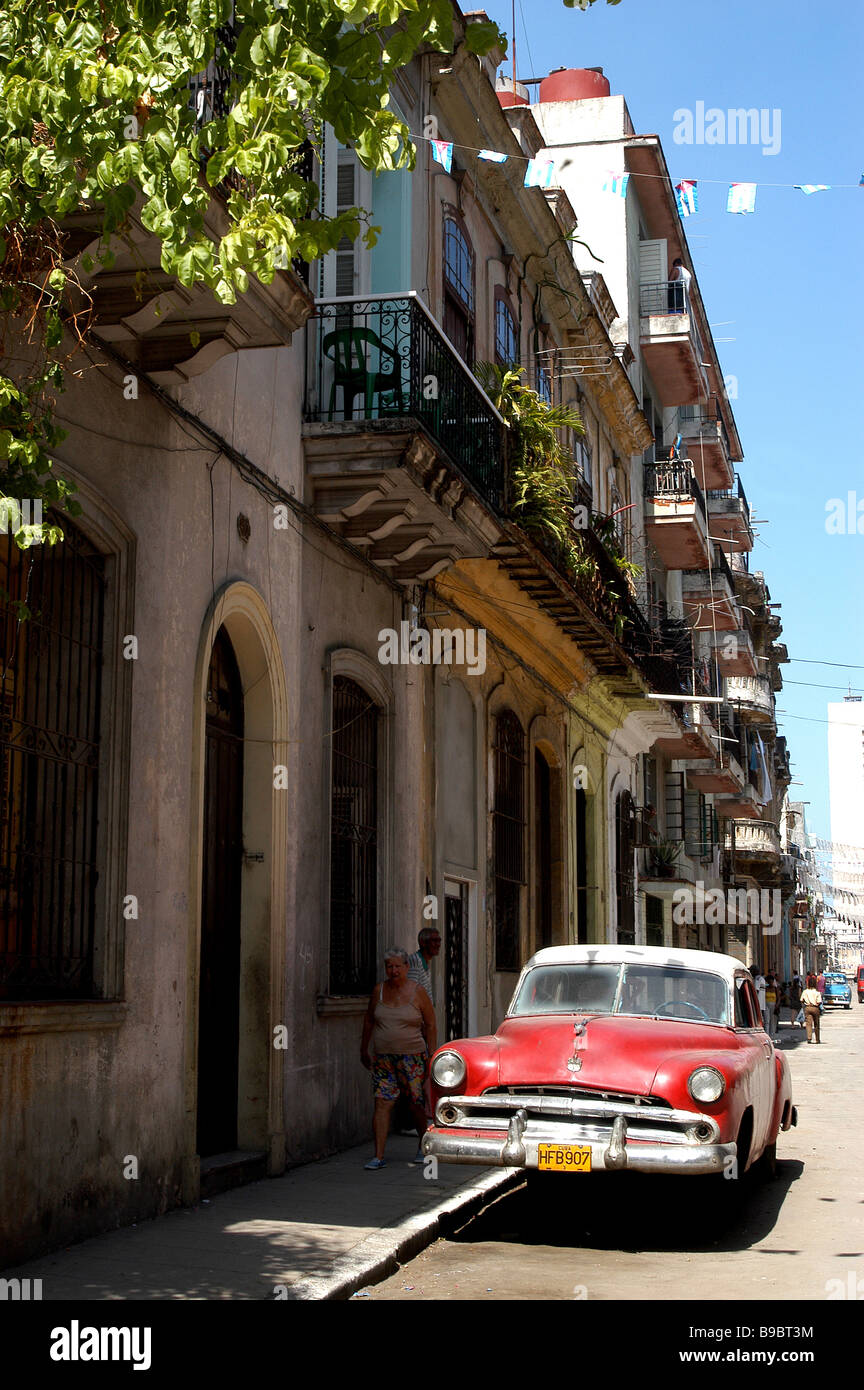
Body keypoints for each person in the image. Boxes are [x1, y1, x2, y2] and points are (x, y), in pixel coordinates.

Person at [360, 948, 437, 1170]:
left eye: (397, 966)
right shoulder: (379, 991)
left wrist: (431, 1054)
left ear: (406, 967)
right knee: (382, 1102)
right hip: (383, 1058)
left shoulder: (418, 992)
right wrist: (364, 1049)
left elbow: (431, 1024)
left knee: (415, 1103)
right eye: (389, 967)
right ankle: (378, 1155)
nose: (393, 971)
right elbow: (368, 1021)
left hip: (412, 1058)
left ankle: (424, 1146)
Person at [407, 925, 442, 1000]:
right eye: (434, 941)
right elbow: (411, 993)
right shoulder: (415, 960)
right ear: (423, 942)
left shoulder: (425, 962)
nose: (438, 944)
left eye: (439, 941)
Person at [801, 974, 822, 1043]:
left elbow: (801, 999)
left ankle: (809, 1038)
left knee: (808, 1023)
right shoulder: (817, 992)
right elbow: (819, 1002)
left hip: (807, 1007)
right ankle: (817, 1039)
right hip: (815, 1007)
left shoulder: (805, 991)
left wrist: (806, 1002)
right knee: (816, 1024)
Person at [750, 964, 767, 1031]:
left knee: (758, 1019)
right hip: (762, 1003)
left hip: (757, 1003)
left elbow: (755, 991)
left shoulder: (757, 979)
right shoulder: (762, 978)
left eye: (751, 971)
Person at [764, 973, 777, 1037]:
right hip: (766, 1005)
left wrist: (777, 1005)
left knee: (773, 1020)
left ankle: (772, 1033)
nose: (770, 982)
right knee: (767, 1019)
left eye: (772, 981)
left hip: (773, 1005)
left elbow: (778, 998)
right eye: (769, 981)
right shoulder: (766, 988)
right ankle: (767, 1034)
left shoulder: (775, 988)